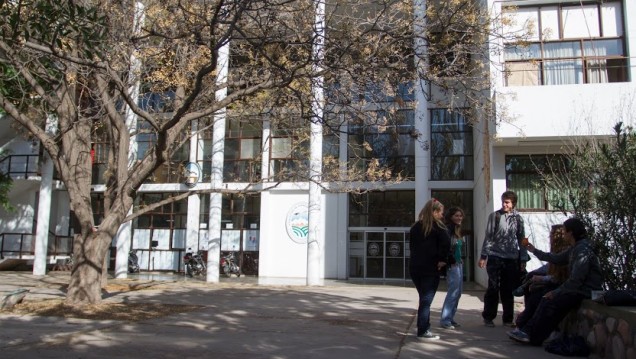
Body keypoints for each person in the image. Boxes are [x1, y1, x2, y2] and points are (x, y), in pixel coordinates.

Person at [507, 217, 604, 346]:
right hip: (576, 289)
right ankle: (527, 331)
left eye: (564, 231)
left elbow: (575, 281)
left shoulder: (582, 251)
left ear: (570, 233)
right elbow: (556, 258)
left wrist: (556, 292)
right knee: (542, 296)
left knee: (550, 301)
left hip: (584, 291)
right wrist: (533, 250)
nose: (563, 234)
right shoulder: (575, 248)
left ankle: (532, 335)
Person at [478, 190, 529, 327]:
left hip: (511, 259)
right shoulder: (495, 216)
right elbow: (489, 237)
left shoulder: (518, 219)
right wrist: (484, 256)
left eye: (507, 202)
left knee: (507, 289)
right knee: (493, 287)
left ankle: (507, 318)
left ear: (513, 204)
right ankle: (488, 317)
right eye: (503, 202)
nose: (504, 204)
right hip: (495, 257)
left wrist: (523, 258)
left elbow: (521, 239)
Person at [514, 224, 573, 329]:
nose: (549, 237)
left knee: (538, 295)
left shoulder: (565, 252)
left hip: (559, 285)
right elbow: (548, 266)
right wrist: (534, 273)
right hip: (553, 281)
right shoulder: (555, 251)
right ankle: (525, 319)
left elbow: (559, 277)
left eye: (551, 234)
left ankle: (525, 323)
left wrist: (542, 278)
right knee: (531, 282)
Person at [410, 198, 451, 340]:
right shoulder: (439, 228)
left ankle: (423, 326)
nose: (442, 215)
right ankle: (423, 330)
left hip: (415, 268)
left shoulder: (415, 227)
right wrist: (442, 260)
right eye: (440, 213)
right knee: (426, 300)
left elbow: (412, 247)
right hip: (430, 268)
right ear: (434, 212)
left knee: (424, 298)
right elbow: (446, 244)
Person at [439, 207, 466, 330]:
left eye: (460, 216)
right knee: (453, 292)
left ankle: (450, 317)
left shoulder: (458, 230)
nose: (459, 218)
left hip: (459, 264)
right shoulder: (447, 229)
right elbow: (446, 247)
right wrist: (450, 260)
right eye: (456, 215)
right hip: (452, 265)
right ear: (451, 217)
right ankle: (445, 319)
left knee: (458, 293)